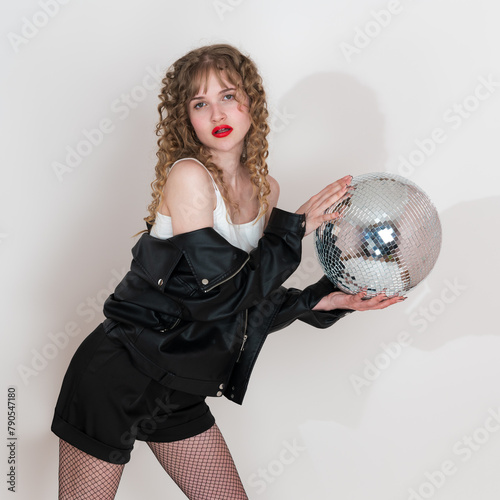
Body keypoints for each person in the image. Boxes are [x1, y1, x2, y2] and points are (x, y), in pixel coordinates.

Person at [51, 44, 404, 500]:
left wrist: (325, 298)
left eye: (228, 96)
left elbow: (241, 303)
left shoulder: (265, 189)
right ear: (188, 119)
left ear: (251, 104)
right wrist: (292, 229)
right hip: (116, 375)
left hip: (177, 387)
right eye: (200, 103)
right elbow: (211, 297)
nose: (216, 111)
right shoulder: (189, 177)